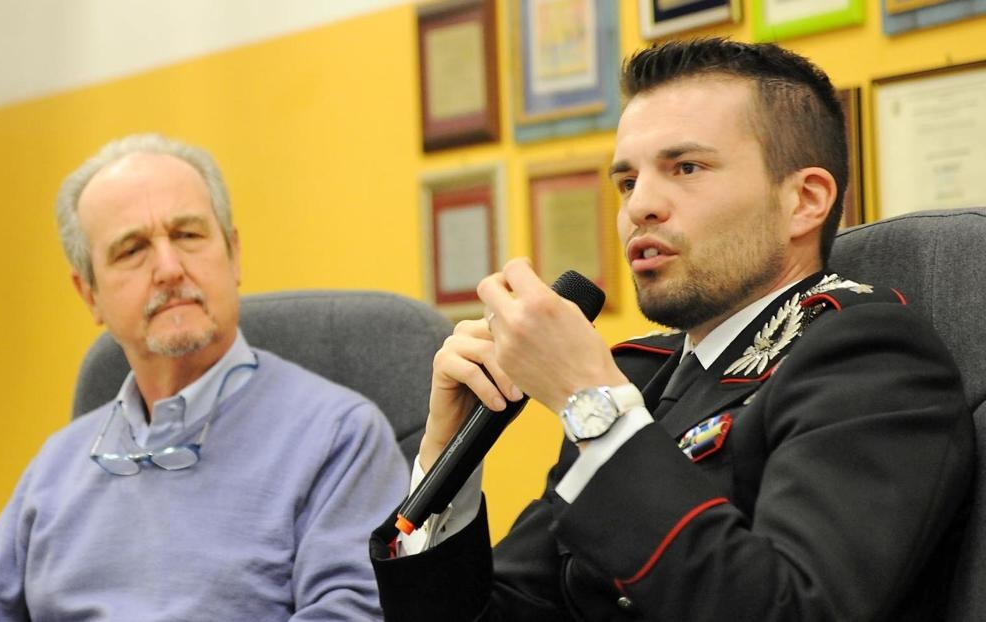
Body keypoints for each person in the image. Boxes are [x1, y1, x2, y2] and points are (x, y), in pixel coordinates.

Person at [370, 38, 973, 621]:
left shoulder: (866, 356)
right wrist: (448, 464)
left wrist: (593, 405)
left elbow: (791, 607)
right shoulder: (637, 375)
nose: (639, 208)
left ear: (804, 200)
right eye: (628, 182)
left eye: (686, 167)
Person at [0, 133, 409, 620]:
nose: (169, 268)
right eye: (132, 249)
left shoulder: (339, 437)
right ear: (89, 294)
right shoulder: (57, 466)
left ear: (234, 254)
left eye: (188, 235)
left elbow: (349, 614)